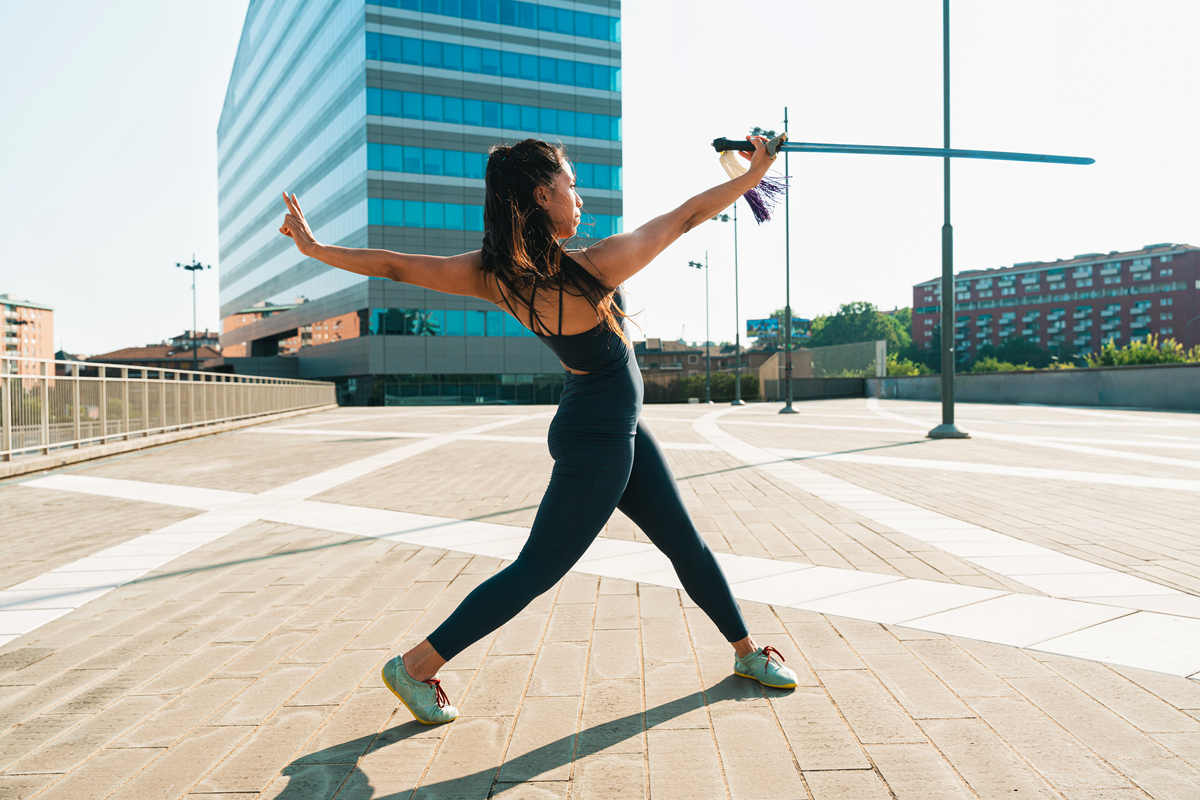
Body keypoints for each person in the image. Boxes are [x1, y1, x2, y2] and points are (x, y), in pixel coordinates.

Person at [278, 135, 798, 725]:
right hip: (599, 438)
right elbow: (685, 218)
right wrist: (752, 175)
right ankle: (416, 665)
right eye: (572, 186)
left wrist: (317, 249)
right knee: (538, 567)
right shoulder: (590, 270)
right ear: (543, 194)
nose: (580, 197)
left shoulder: (492, 274)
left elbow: (395, 266)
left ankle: (746, 652)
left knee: (684, 543)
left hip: (608, 426)